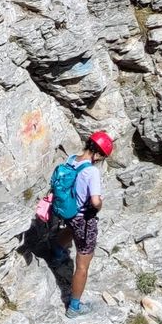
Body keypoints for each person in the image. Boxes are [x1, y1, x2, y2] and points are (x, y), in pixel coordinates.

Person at [43, 129, 113, 313]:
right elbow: (96, 201)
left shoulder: (72, 159)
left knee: (72, 228)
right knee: (82, 266)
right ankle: (74, 307)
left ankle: (57, 251)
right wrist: (99, 206)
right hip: (85, 218)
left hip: (69, 212)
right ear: (99, 155)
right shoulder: (92, 172)